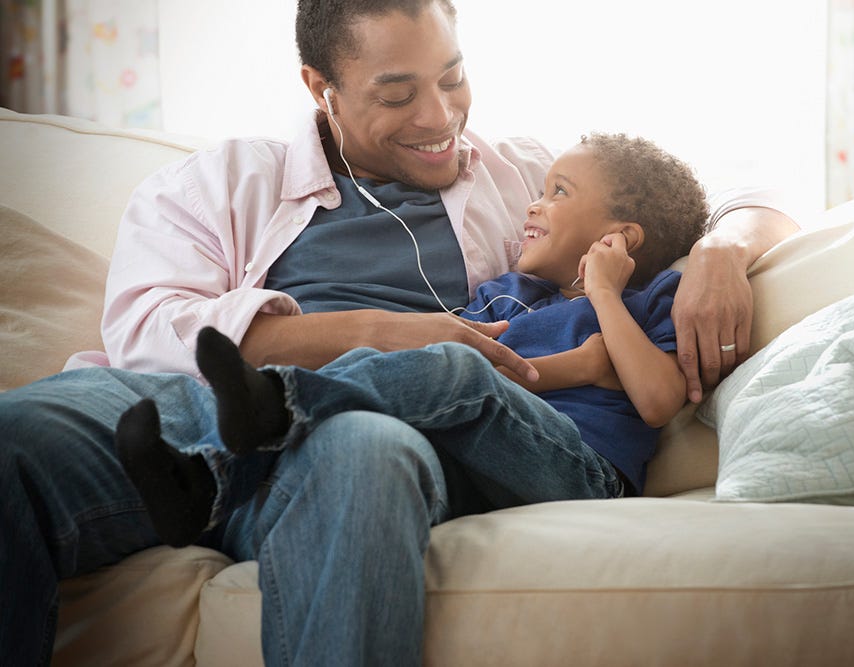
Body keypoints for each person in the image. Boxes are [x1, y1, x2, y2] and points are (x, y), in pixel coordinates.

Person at [0, 1, 800, 665]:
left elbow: (723, 191)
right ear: (323, 88)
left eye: (452, 78)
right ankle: (212, 459)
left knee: (366, 453)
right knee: (15, 437)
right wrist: (389, 330)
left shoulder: (520, 176)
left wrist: (723, 251)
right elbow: (148, 332)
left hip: (361, 430)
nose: (439, 117)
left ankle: (215, 474)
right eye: (396, 95)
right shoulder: (221, 182)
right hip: (184, 410)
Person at [114, 132, 709, 548]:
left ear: (622, 238)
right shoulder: (508, 293)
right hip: (478, 469)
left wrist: (604, 296)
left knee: (458, 366)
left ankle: (274, 399)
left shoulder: (648, 301)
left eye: (559, 193)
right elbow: (433, 365)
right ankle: (207, 478)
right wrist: (580, 365)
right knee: (425, 379)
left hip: (580, 472)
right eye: (543, 187)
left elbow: (657, 400)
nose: (534, 201)